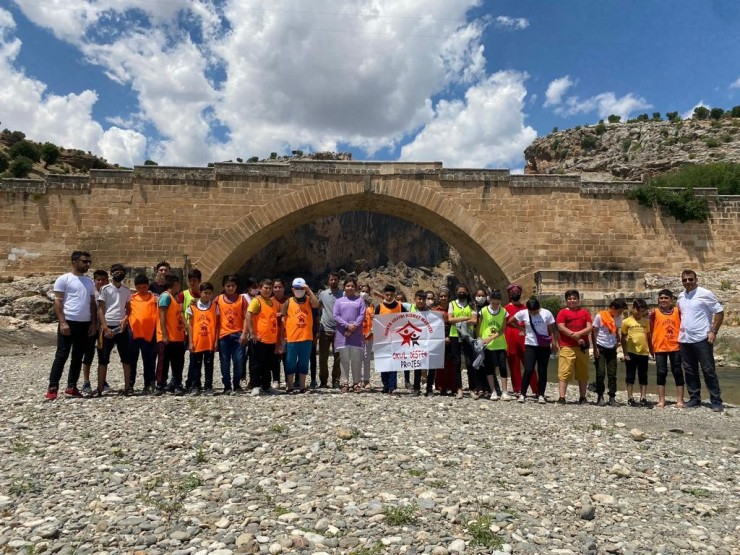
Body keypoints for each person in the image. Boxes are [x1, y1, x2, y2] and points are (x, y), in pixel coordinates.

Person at [46, 251, 97, 400]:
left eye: (89, 262)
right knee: (62, 355)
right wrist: (62, 322)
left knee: (78, 355)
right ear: (74, 262)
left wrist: (93, 322)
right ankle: (53, 387)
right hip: (69, 322)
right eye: (84, 261)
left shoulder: (90, 281)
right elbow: (58, 302)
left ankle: (72, 386)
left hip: (85, 323)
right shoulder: (64, 279)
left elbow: (92, 303)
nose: (87, 264)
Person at [677, 270, 724, 412]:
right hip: (685, 339)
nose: (688, 282)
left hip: (702, 338)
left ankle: (716, 400)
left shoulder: (705, 293)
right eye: (684, 280)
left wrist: (713, 331)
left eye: (690, 279)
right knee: (690, 370)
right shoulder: (681, 296)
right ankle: (694, 399)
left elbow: (719, 312)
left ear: (696, 279)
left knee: (708, 370)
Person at [92, 263, 132, 397]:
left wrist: (125, 319)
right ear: (111, 273)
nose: (118, 273)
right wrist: (104, 327)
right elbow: (100, 309)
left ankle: (128, 388)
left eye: (121, 271)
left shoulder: (127, 290)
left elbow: (129, 308)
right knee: (103, 359)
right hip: (107, 326)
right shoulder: (105, 289)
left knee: (126, 358)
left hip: (121, 328)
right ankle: (99, 388)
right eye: (116, 271)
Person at [509, 298, 558, 403]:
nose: (533, 313)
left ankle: (541, 394)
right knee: (528, 369)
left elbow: (551, 329)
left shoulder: (546, 313)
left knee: (542, 370)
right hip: (530, 345)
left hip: (544, 345)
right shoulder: (523, 313)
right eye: (531, 312)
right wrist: (521, 329)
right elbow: (511, 321)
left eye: (535, 311)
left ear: (539, 308)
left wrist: (554, 343)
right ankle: (522, 394)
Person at [279, 278, 318, 393]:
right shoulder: (288, 301)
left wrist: (309, 290)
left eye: (301, 288)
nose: (299, 290)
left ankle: (302, 386)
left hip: (306, 337)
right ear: (292, 289)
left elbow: (316, 304)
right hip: (292, 338)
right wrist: (282, 337)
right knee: (290, 362)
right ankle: (290, 386)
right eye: (297, 288)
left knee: (304, 362)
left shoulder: (308, 300)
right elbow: (283, 318)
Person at [556, 290, 592, 405]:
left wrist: (579, 334)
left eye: (574, 298)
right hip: (567, 346)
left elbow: (589, 327)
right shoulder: (562, 313)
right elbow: (561, 327)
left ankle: (582, 397)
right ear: (566, 300)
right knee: (564, 371)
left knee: (583, 372)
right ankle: (562, 397)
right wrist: (574, 335)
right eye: (570, 299)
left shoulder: (584, 312)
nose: (572, 301)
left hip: (582, 347)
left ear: (578, 300)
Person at [649, 290, 684, 408]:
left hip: (675, 346)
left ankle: (680, 400)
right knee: (661, 373)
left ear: (671, 299)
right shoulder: (654, 312)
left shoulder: (677, 311)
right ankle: (661, 400)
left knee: (678, 372)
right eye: (661, 298)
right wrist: (650, 347)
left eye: (666, 298)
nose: (663, 300)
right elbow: (649, 330)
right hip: (660, 347)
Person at [245, 279, 279, 396]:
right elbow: (249, 315)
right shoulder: (256, 301)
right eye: (265, 288)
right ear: (260, 288)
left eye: (270, 288)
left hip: (271, 339)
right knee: (256, 363)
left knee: (268, 364)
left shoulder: (272, 302)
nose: (268, 290)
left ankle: (266, 385)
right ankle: (255, 385)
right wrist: (252, 333)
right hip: (259, 338)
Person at [591, 299, 627, 406]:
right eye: (619, 311)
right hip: (600, 347)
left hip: (612, 347)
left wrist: (618, 341)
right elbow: (594, 332)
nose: (620, 314)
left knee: (612, 373)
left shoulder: (618, 318)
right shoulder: (600, 316)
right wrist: (595, 348)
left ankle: (612, 397)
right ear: (613, 308)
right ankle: (600, 396)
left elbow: (616, 331)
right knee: (600, 372)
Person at [333, 278, 366, 393]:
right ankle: (345, 382)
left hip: (356, 335)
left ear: (355, 288)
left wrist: (355, 325)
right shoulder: (339, 301)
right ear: (344, 287)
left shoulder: (360, 300)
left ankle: (356, 382)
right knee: (344, 360)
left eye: (352, 286)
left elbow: (362, 314)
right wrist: (347, 325)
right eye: (348, 286)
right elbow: (336, 316)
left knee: (356, 360)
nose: (350, 288)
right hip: (343, 335)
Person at [155, 274, 186, 395]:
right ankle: (160, 384)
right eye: (178, 284)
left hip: (177, 336)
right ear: (175, 284)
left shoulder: (174, 297)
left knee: (177, 362)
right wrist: (164, 334)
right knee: (163, 361)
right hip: (167, 336)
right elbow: (162, 315)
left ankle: (177, 384)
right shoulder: (165, 297)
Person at [186, 282, 219, 395]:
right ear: (200, 293)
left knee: (209, 365)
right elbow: (190, 325)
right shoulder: (193, 306)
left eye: (209, 293)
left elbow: (217, 325)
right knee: (196, 366)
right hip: (197, 341)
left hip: (209, 341)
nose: (207, 295)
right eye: (205, 293)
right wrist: (190, 342)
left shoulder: (215, 307)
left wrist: (216, 341)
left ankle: (208, 386)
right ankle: (196, 386)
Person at [216, 275, 247, 394]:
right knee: (224, 361)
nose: (230, 288)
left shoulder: (241, 299)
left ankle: (236, 384)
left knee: (239, 360)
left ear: (236, 286)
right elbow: (207, 307)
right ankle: (227, 386)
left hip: (238, 334)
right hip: (224, 335)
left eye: (232, 286)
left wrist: (244, 333)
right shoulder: (218, 299)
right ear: (224, 286)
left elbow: (246, 317)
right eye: (228, 286)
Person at [129, 274, 159, 394]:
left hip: (149, 334)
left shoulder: (154, 298)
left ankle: (149, 383)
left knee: (149, 361)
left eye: (144, 287)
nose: (142, 289)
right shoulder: (131, 298)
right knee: (132, 360)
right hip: (134, 333)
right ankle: (130, 384)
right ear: (136, 287)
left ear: (148, 286)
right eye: (140, 287)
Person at [447, 284, 478, 399]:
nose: (461, 293)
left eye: (463, 291)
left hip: (468, 336)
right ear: (456, 292)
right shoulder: (452, 304)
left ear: (467, 292)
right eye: (459, 292)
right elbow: (450, 319)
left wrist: (458, 320)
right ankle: (459, 389)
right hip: (455, 335)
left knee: (470, 362)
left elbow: (474, 320)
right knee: (457, 362)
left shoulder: (472, 304)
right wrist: (466, 319)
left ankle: (472, 389)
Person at [81, 269, 109, 395]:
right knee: (88, 355)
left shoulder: (109, 292)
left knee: (103, 356)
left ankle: (102, 380)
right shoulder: (90, 293)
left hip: (104, 329)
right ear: (94, 281)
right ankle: (86, 381)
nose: (101, 282)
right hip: (91, 327)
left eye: (103, 280)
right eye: (98, 280)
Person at [504, 283, 535, 396]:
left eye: (517, 291)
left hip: (525, 338)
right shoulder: (506, 308)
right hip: (511, 337)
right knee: (514, 364)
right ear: (509, 294)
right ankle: (517, 388)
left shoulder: (525, 308)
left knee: (529, 364)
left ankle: (536, 388)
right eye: (513, 292)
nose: (515, 293)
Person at [621, 299, 652, 408]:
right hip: (631, 352)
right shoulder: (626, 321)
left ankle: (643, 397)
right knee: (630, 376)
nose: (639, 313)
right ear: (633, 308)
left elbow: (648, 336)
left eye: (642, 311)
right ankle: (630, 398)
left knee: (643, 375)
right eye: (638, 310)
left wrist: (651, 351)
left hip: (643, 352)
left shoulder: (646, 322)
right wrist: (625, 353)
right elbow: (623, 338)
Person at [375, 284, 405, 394]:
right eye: (387, 295)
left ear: (394, 295)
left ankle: (392, 386)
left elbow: (407, 319)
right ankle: (385, 385)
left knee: (393, 362)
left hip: (396, 339)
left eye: (391, 295)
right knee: (384, 362)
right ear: (384, 294)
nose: (388, 297)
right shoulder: (379, 307)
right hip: (383, 339)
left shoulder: (400, 306)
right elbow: (376, 323)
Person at [477, 290, 507, 401]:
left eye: (497, 303)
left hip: (500, 344)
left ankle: (504, 391)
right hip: (487, 345)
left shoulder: (504, 312)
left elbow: (503, 329)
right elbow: (479, 327)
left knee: (503, 367)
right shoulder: (483, 311)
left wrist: (491, 337)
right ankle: (493, 391)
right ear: (490, 301)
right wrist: (479, 340)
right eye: (493, 303)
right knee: (489, 368)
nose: (495, 306)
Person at [317, 272, 343, 388]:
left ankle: (336, 381)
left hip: (339, 330)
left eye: (335, 279)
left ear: (338, 281)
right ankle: (323, 381)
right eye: (331, 279)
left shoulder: (343, 294)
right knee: (323, 357)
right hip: (325, 329)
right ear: (328, 281)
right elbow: (317, 307)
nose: (333, 281)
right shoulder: (323, 294)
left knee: (338, 357)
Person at [409, 289, 434, 396]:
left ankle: (429, 389)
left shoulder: (430, 312)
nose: (420, 301)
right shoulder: (409, 308)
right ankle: (416, 388)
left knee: (431, 365)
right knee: (417, 365)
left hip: (428, 341)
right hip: (416, 341)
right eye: (419, 299)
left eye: (423, 299)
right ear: (415, 299)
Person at [433, 287, 456, 396]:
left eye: (445, 296)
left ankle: (452, 386)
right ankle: (441, 386)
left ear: (448, 297)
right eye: (441, 296)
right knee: (440, 363)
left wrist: (450, 337)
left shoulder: (453, 309)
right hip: (439, 338)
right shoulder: (435, 310)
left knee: (451, 363)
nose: (443, 298)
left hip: (452, 336)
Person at [271, 278, 289, 389]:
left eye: (280, 287)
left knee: (287, 358)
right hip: (273, 333)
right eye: (275, 287)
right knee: (274, 358)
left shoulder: (289, 300)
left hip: (286, 333)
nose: (277, 289)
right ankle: (276, 379)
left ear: (284, 288)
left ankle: (288, 380)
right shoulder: (269, 301)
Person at [360, 283, 375, 390]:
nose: (364, 293)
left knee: (367, 358)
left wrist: (372, 331)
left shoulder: (371, 305)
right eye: (362, 291)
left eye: (366, 291)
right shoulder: (355, 303)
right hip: (358, 335)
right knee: (358, 358)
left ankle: (366, 380)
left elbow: (374, 319)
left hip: (369, 334)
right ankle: (358, 379)